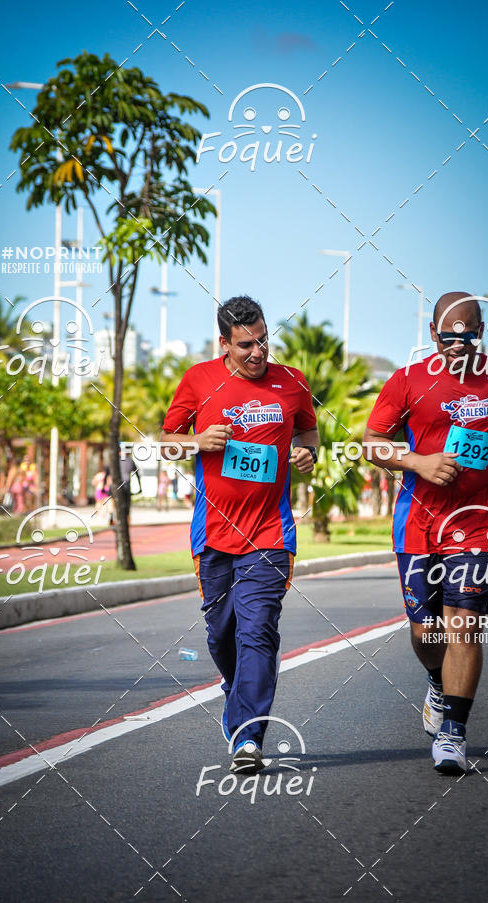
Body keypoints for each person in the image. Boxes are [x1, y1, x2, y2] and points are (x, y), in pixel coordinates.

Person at [364, 291, 488, 774]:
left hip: (478, 520)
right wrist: (416, 460)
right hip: (418, 521)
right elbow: (372, 444)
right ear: (432, 335)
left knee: (464, 622)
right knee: (427, 631)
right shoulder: (407, 381)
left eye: (468, 334)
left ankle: (454, 734)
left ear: (481, 332)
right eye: (449, 336)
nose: (459, 343)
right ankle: (437, 683)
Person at [160, 295, 318, 774]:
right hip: (212, 536)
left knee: (257, 631)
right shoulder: (199, 379)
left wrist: (306, 454)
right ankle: (238, 692)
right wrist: (196, 441)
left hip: (271, 533)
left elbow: (308, 433)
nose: (257, 352)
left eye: (263, 340)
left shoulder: (291, 382)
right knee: (221, 635)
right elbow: (166, 443)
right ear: (224, 343)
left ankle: (249, 738)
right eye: (246, 344)